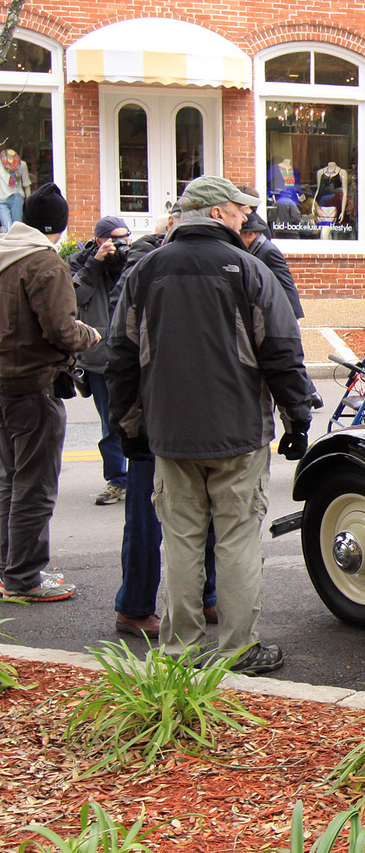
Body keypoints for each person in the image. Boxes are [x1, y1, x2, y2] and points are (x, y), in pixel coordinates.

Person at [106, 175, 311, 673]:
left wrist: (129, 429)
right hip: (238, 434)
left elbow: (121, 358)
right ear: (215, 212)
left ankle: (179, 650)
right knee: (237, 538)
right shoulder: (248, 269)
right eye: (239, 210)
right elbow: (281, 352)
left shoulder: (145, 271)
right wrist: (297, 418)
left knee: (180, 541)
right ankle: (240, 650)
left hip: (169, 436)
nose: (246, 218)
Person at [111, 206, 220, 640]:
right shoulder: (145, 266)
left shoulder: (188, 263)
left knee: (206, 507)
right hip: (153, 409)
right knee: (146, 511)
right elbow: (123, 350)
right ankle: (134, 606)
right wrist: (129, 421)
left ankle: (205, 595)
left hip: (190, 407)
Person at [0, 184, 100, 601]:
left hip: (4, 384)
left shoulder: (5, 255)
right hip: (34, 383)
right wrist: (92, 334)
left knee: (9, 481)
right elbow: (60, 329)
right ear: (58, 225)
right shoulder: (44, 263)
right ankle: (24, 577)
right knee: (35, 486)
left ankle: (9, 569)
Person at [71, 215, 133, 506]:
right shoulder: (80, 263)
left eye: (125, 237)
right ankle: (118, 480)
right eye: (114, 238)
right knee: (111, 423)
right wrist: (95, 263)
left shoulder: (133, 261)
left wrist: (123, 261)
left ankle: (142, 477)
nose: (120, 244)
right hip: (99, 356)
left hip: (130, 353)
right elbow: (72, 299)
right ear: (99, 240)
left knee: (138, 420)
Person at [240, 211, 303, 319]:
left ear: (250, 234)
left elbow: (285, 281)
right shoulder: (256, 247)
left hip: (279, 311)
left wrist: (294, 314)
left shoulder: (268, 251)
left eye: (239, 234)